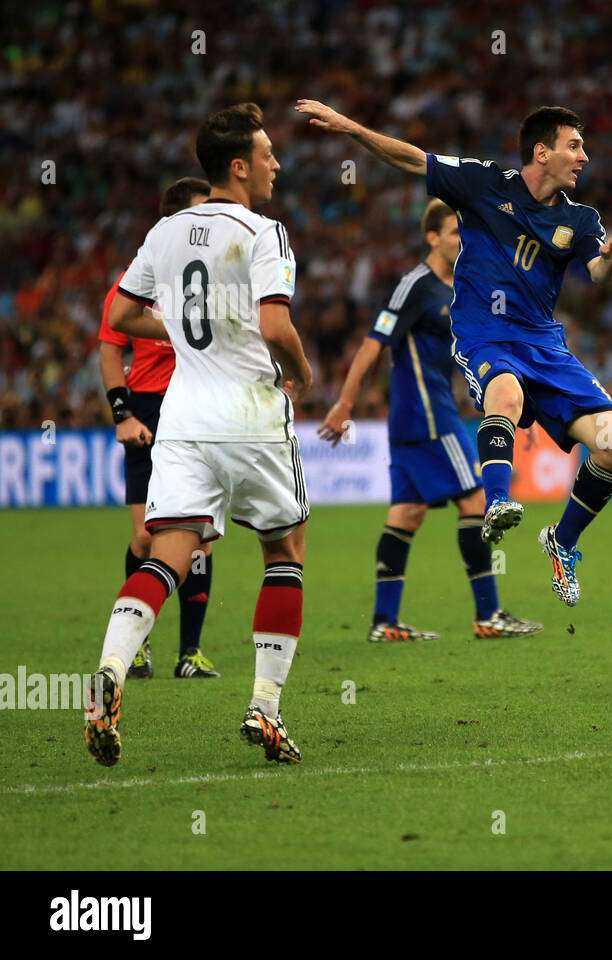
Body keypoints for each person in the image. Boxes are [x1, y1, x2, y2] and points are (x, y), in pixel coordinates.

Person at [296, 98, 612, 607]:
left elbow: (596, 276)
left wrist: (609, 262)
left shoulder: (582, 219)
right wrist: (349, 125)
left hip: (544, 342)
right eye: (575, 145)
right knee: (505, 394)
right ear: (541, 153)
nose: (584, 156)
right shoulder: (485, 182)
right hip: (485, 334)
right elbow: (412, 159)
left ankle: (562, 542)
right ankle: (498, 500)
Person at [85, 103, 313, 767]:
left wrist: (187, 332)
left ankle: (110, 670)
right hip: (250, 415)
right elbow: (274, 330)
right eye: (268, 152)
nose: (276, 162)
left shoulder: (165, 233)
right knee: (285, 550)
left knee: (167, 554)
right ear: (238, 166)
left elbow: (125, 313)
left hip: (182, 421)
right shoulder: (264, 232)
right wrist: (301, 370)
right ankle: (265, 709)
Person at [319, 199, 542, 641]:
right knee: (477, 500)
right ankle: (489, 615)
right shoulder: (415, 285)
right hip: (427, 416)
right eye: (454, 232)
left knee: (407, 513)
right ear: (432, 238)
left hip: (414, 418)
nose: (462, 239)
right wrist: (344, 404)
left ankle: (384, 622)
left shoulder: (459, 288)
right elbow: (373, 343)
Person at [99, 176, 221, 680]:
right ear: (173, 220)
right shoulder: (138, 276)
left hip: (197, 406)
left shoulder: (210, 275)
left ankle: (189, 653)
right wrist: (122, 414)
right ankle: (139, 643)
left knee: (201, 537)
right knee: (147, 538)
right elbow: (110, 349)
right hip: (148, 410)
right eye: (200, 213)